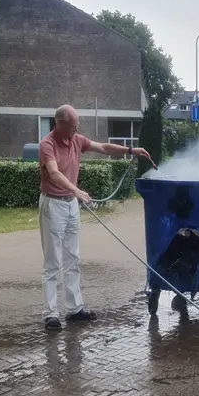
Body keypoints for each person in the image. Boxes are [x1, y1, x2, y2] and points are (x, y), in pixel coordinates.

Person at [39, 104, 152, 331]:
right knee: (53, 261)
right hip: (53, 205)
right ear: (58, 123)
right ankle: (51, 314)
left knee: (73, 258)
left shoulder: (77, 140)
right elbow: (53, 173)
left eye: (76, 126)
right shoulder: (47, 145)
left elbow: (103, 148)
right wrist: (77, 191)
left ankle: (74, 309)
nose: (75, 130)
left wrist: (130, 151)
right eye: (72, 126)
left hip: (71, 206)